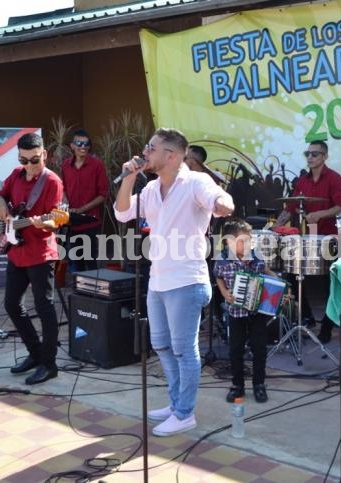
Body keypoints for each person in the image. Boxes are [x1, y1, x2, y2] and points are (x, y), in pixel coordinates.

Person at [115, 128, 234, 437]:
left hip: (186, 281)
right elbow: (123, 211)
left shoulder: (196, 182)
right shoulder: (153, 189)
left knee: (183, 349)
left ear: (171, 155)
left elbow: (220, 199)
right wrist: (129, 175)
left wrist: (222, 205)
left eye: (151, 148)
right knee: (162, 346)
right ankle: (176, 403)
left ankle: (184, 413)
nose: (145, 152)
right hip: (158, 280)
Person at [0, 133, 64, 385]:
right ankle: (35, 353)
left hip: (40, 253)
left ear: (44, 154)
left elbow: (56, 220)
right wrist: (1, 204)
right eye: (23, 160)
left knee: (44, 308)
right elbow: (1, 194)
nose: (29, 165)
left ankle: (49, 363)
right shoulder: (15, 174)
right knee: (12, 305)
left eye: (34, 160)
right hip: (17, 250)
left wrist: (44, 221)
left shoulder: (52, 181)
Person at [273, 140, 341, 343]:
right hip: (310, 236)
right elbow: (290, 207)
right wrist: (275, 227)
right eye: (308, 154)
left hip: (330, 237)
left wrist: (321, 214)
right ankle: (305, 316)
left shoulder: (334, 178)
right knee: (291, 273)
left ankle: (328, 325)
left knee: (329, 283)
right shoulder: (302, 181)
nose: (310, 157)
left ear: (324, 156)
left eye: (315, 154)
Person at [214, 218, 277, 404]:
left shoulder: (255, 257)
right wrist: (225, 293)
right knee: (235, 349)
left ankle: (259, 384)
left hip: (257, 311)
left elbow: (266, 271)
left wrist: (280, 285)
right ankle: (237, 385)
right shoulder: (222, 260)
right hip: (236, 313)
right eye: (244, 241)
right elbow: (218, 278)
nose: (248, 244)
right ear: (229, 242)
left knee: (259, 348)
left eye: (250, 240)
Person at [60, 129, 109, 272]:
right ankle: (78, 292)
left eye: (87, 144)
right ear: (72, 146)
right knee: (76, 261)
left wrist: (81, 210)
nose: (83, 146)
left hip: (90, 221)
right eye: (79, 143)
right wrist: (66, 204)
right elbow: (62, 188)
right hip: (72, 222)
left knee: (91, 261)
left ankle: (91, 293)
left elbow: (103, 194)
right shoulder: (65, 165)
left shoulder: (97, 165)